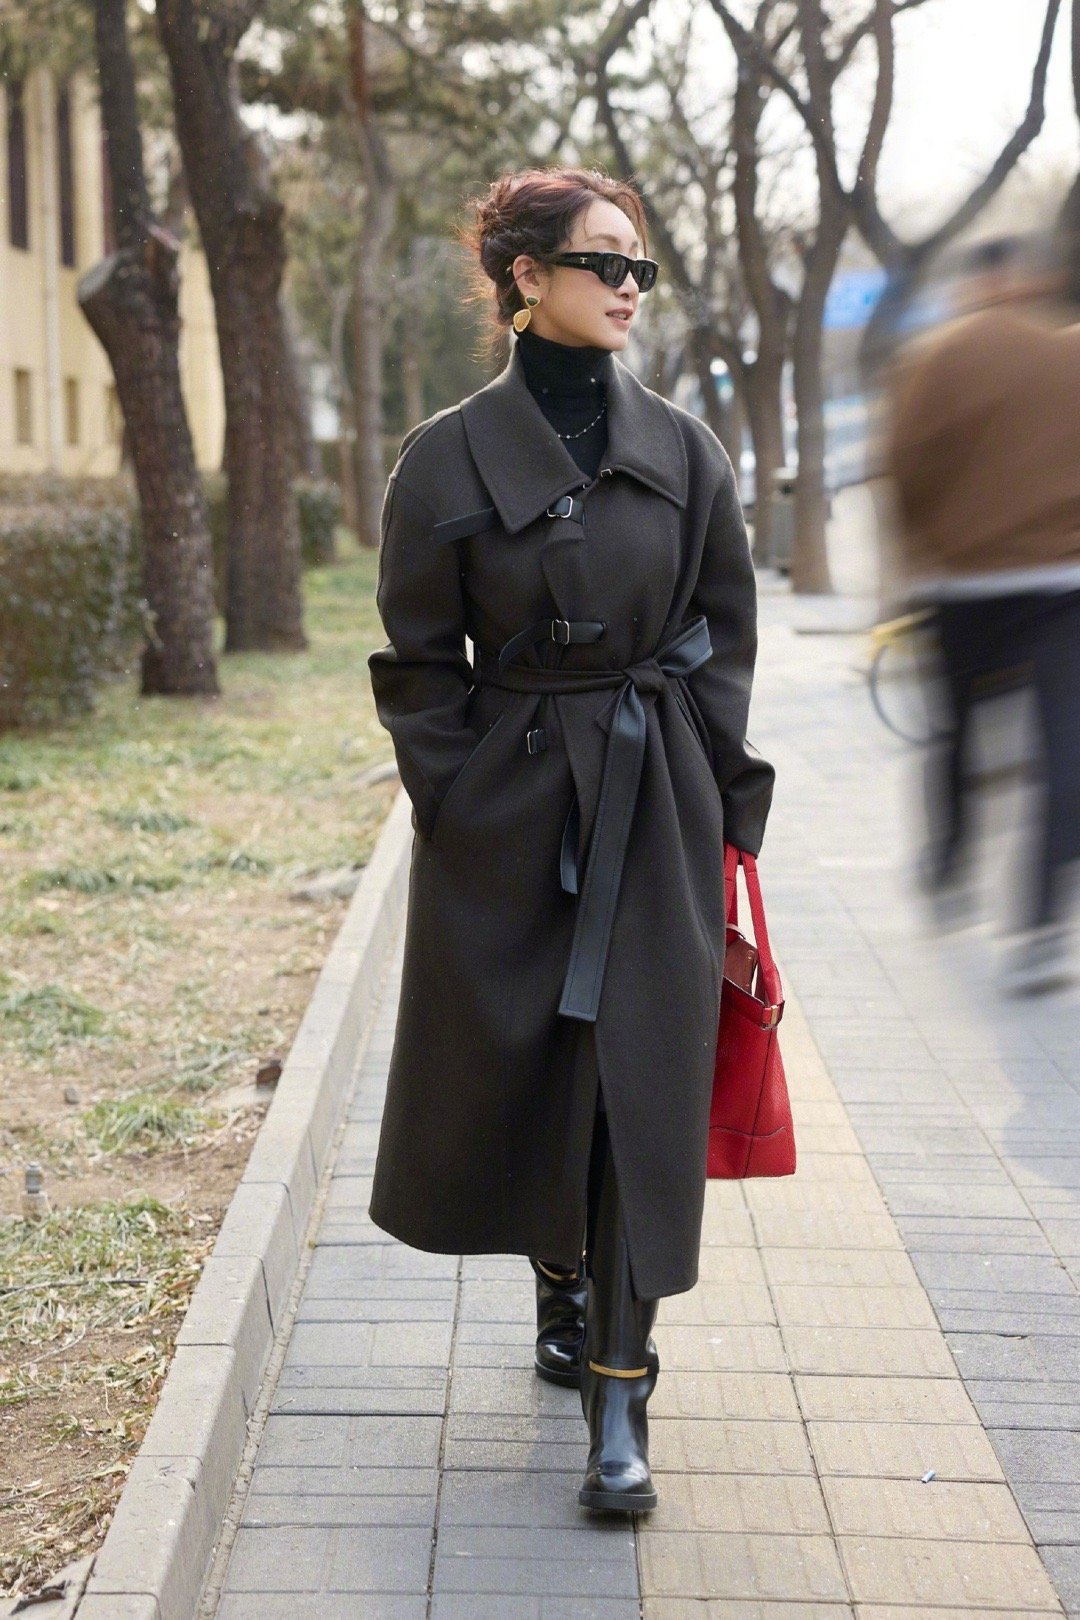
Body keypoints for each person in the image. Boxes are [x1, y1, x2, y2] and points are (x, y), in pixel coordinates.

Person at [366, 165, 774, 1513]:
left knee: (639, 1085)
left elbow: (723, 637)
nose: (629, 286)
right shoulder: (443, 459)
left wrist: (718, 801)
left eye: (639, 265)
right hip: (510, 807)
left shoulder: (688, 451)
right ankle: (560, 1276)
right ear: (526, 277)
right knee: (540, 1069)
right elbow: (416, 662)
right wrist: (458, 797)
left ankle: (621, 1393)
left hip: (655, 801)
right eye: (604, 261)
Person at [885, 234, 1080, 994]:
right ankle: (1041, 925)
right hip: (1061, 586)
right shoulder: (1067, 355)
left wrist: (918, 559)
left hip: (962, 588)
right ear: (1031, 279)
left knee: (957, 731)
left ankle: (949, 861)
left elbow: (903, 470)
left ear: (976, 283)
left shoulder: (935, 358)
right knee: (1064, 748)